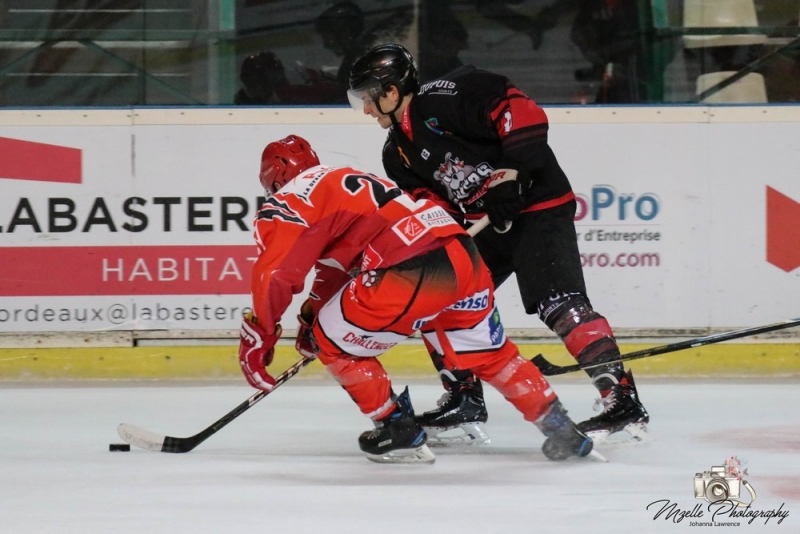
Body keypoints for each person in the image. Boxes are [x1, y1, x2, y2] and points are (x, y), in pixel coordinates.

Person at [347, 43, 650, 447]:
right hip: (489, 226)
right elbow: (435, 208)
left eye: (369, 97)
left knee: (559, 303)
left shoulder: (443, 97)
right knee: (440, 297)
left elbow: (520, 111)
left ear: (391, 90)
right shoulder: (396, 154)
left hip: (538, 206)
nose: (366, 110)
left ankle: (623, 401)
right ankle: (464, 399)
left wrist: (513, 173)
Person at [237, 134, 595, 464]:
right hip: (462, 256)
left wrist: (260, 334)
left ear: (274, 180)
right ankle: (562, 430)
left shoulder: (287, 200)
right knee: (493, 356)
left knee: (333, 346)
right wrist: (310, 316)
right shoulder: (346, 177)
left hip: (408, 268)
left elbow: (276, 274)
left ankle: (397, 429)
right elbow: (331, 270)